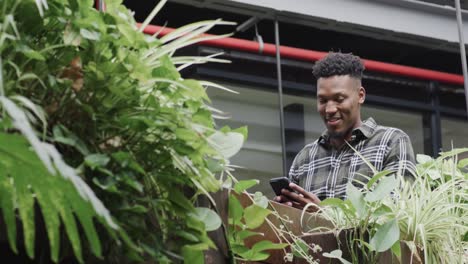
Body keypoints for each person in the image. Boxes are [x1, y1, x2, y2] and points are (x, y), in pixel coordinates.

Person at [275, 52, 416, 210]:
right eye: (322, 100)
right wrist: (284, 211)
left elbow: (397, 213)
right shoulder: (304, 159)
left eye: (339, 99)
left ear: (360, 96)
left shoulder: (391, 142)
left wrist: (323, 214)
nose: (329, 109)